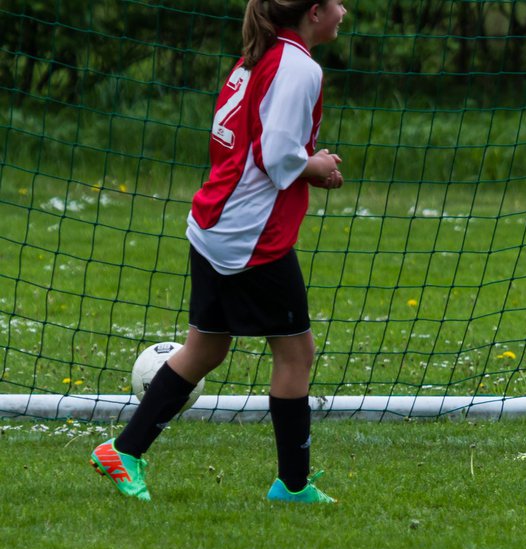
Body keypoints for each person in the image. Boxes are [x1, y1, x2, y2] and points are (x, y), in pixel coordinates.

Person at [91, 0, 348, 503]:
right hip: (251, 236)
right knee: (296, 352)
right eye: (337, 2)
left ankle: (123, 451)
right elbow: (277, 157)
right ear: (314, 12)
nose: (346, 10)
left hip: (216, 221)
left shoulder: (264, 52)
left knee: (207, 346)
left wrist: (305, 164)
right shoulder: (299, 66)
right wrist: (313, 166)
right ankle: (293, 486)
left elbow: (254, 146)